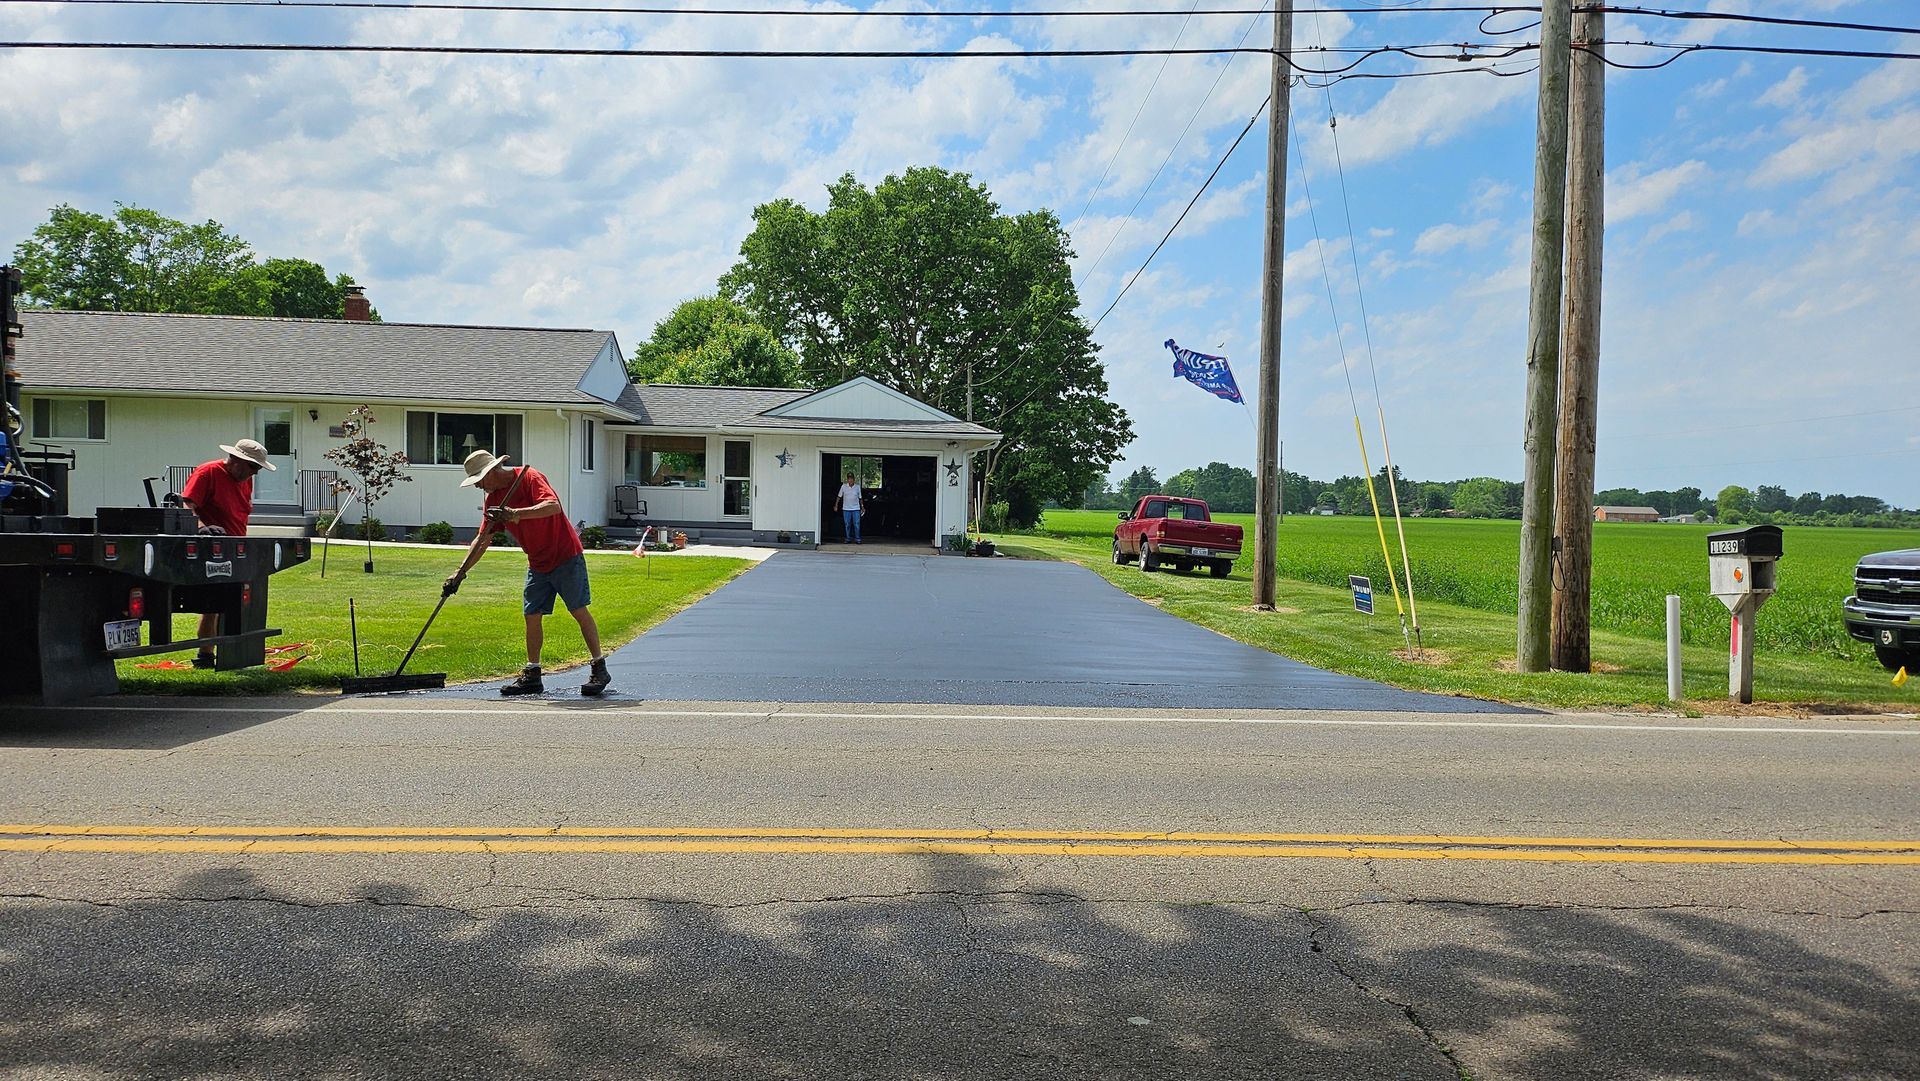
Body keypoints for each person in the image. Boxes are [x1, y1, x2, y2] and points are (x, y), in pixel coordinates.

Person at [443, 449, 611, 697]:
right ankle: (533, 674)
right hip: (538, 562)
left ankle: (599, 668)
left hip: (565, 556)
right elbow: (483, 538)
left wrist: (514, 514)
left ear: (492, 471)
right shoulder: (493, 501)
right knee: (531, 614)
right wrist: (460, 572)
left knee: (577, 609)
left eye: (479, 480)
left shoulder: (530, 478)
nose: (479, 486)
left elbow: (552, 506)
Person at [179, 438, 273, 668]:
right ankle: (205, 656)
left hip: (236, 546)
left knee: (237, 602)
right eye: (253, 466)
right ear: (236, 460)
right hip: (213, 547)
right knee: (212, 605)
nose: (255, 472)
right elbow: (187, 505)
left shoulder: (246, 480)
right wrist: (202, 528)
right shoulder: (208, 472)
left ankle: (235, 653)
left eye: (258, 468)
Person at [835, 471, 864, 544]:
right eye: (849, 478)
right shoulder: (843, 486)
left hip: (856, 509)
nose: (850, 480)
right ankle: (848, 538)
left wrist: (862, 507)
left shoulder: (857, 487)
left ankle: (857, 539)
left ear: (854, 479)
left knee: (856, 524)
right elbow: (839, 496)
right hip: (846, 509)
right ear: (847, 479)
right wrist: (836, 505)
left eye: (851, 478)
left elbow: (860, 498)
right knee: (847, 524)